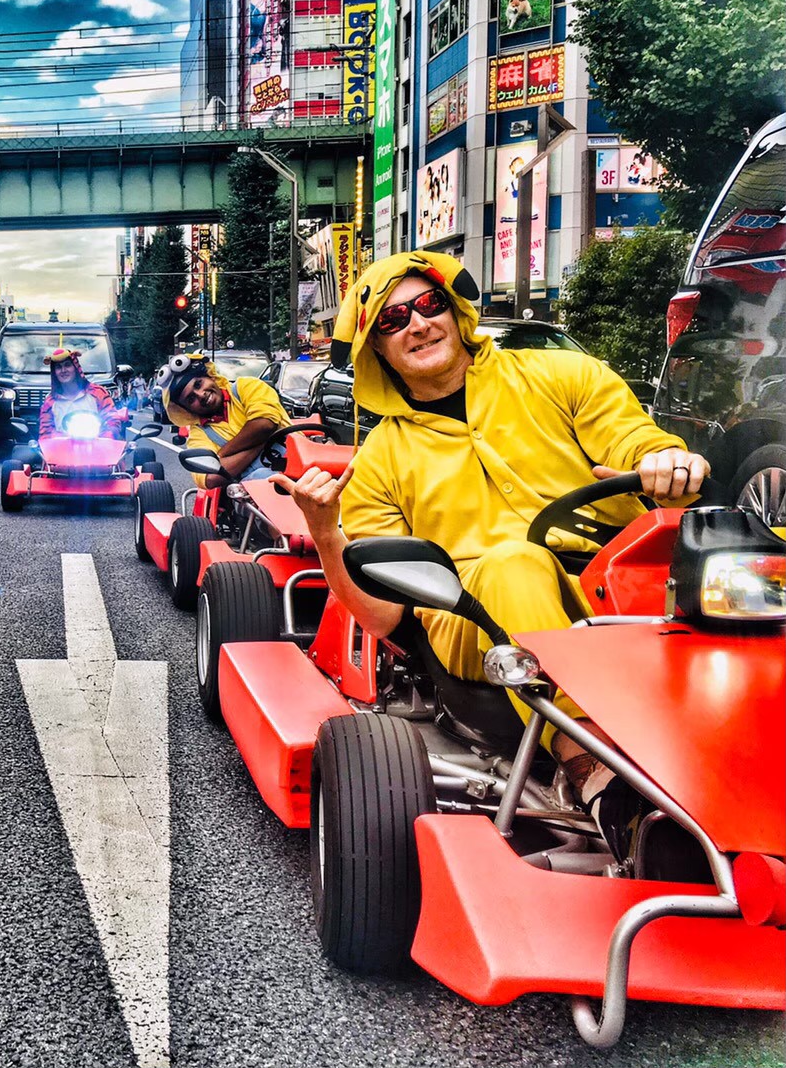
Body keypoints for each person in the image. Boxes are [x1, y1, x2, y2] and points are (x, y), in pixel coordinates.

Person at [283, 249, 709, 856]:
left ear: (456, 312)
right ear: (376, 349)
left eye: (427, 305)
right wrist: (326, 534)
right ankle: (602, 781)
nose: (417, 324)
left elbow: (631, 435)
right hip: (471, 619)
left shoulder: (563, 376)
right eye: (393, 320)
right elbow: (380, 617)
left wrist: (663, 459)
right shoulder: (378, 460)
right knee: (514, 563)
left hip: (617, 585)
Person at [160, 351, 292, 486]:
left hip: (303, 469)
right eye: (191, 399)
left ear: (210, 377)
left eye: (198, 384)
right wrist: (262, 442)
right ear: (186, 410)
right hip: (254, 500)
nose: (201, 395)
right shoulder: (198, 435)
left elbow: (264, 425)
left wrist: (222, 455)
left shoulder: (247, 386)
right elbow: (210, 478)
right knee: (261, 477)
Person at [39, 347, 123, 438]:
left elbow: (112, 421)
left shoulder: (98, 393)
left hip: (98, 449)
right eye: (59, 367)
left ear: (75, 367)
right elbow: (45, 433)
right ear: (54, 372)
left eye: (67, 365)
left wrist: (106, 437)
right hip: (62, 450)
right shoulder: (50, 401)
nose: (63, 370)